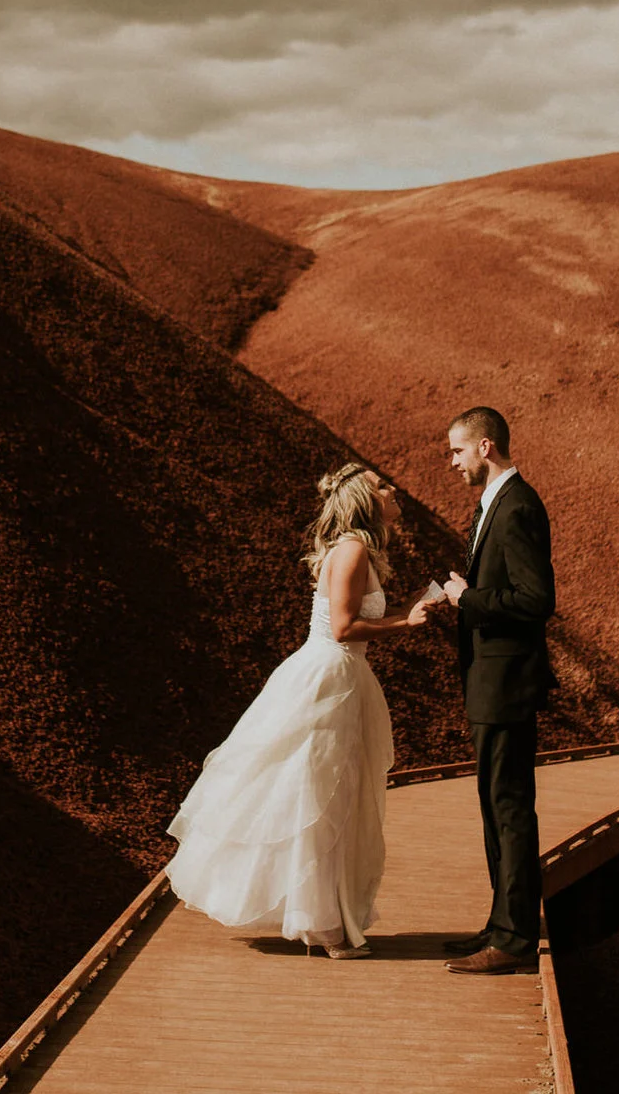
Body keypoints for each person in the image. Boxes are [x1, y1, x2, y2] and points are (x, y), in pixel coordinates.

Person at [164, 464, 435, 958]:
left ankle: (326, 919)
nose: (392, 489)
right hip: (330, 677)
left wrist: (407, 609)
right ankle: (326, 927)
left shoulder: (359, 549)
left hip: (341, 676)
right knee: (324, 796)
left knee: (331, 794)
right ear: (363, 498)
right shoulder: (352, 549)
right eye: (381, 485)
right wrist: (405, 625)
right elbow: (344, 629)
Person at [435, 405, 555, 974]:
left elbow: (537, 601)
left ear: (485, 447)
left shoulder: (518, 507)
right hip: (490, 682)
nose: (452, 462)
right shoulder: (495, 505)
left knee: (509, 808)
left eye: (457, 451)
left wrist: (469, 600)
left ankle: (513, 940)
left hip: (506, 683)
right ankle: (499, 924)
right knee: (494, 804)